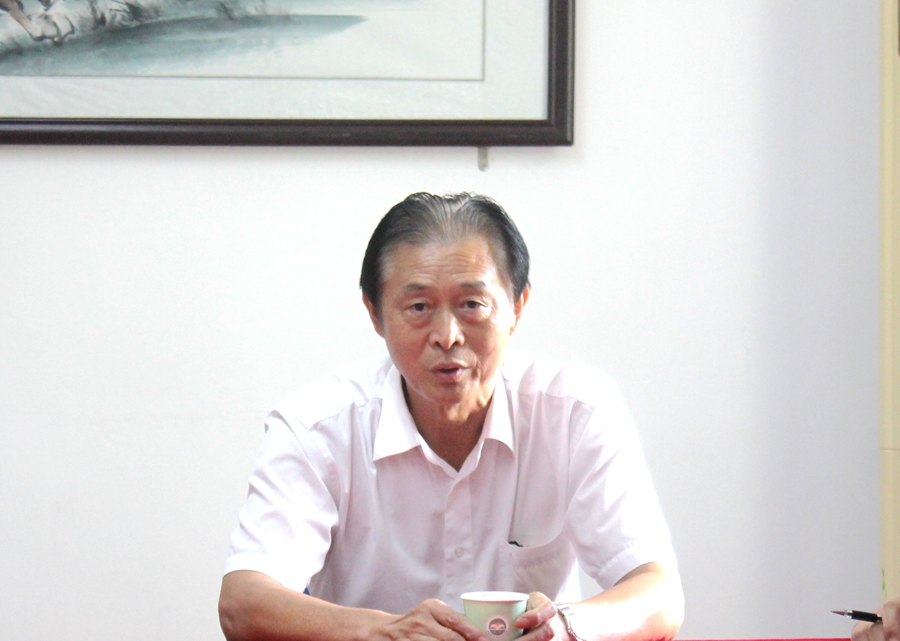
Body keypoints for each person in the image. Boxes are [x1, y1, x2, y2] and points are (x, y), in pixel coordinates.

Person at [218, 192, 685, 641]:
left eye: (471, 305)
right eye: (419, 307)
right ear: (375, 314)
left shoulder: (574, 414)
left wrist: (568, 625)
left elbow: (658, 593)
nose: (447, 336)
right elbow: (244, 603)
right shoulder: (315, 429)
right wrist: (386, 633)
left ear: (517, 307)